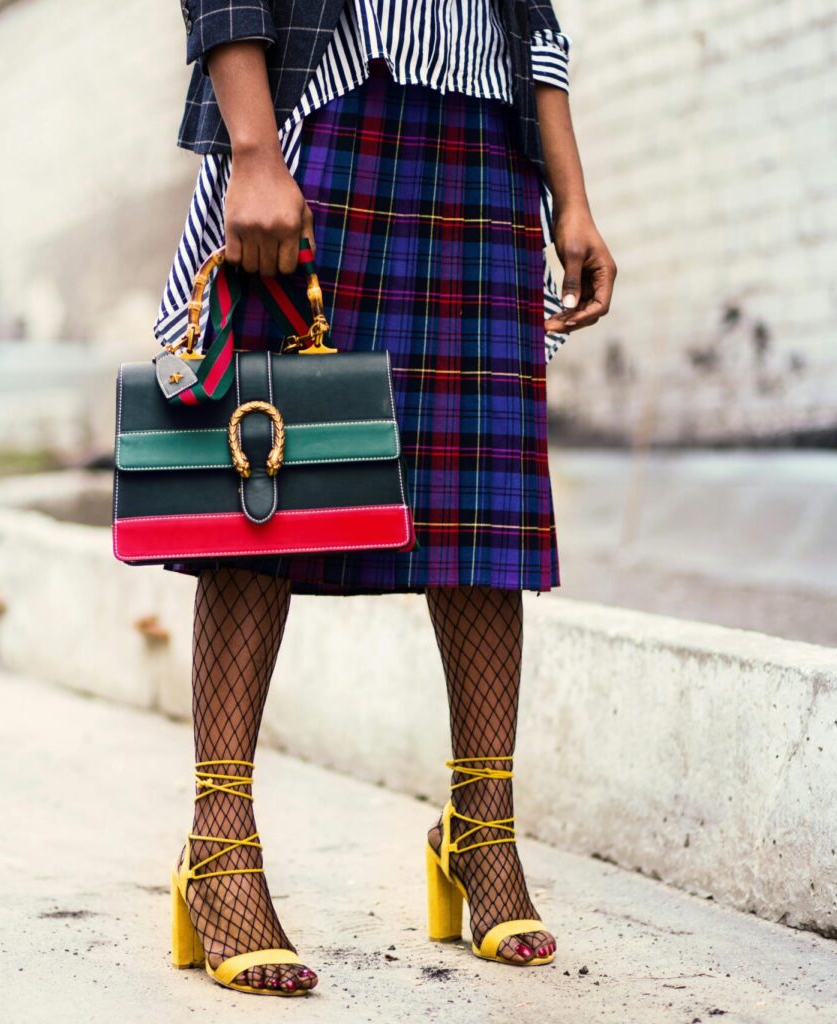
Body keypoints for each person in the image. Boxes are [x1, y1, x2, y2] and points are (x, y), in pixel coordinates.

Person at [159, 0, 616, 997]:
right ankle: (218, 843)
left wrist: (569, 196)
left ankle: (480, 832)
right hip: (325, 115)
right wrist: (250, 147)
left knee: (479, 502)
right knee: (265, 474)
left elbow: (531, 16)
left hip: (488, 143)